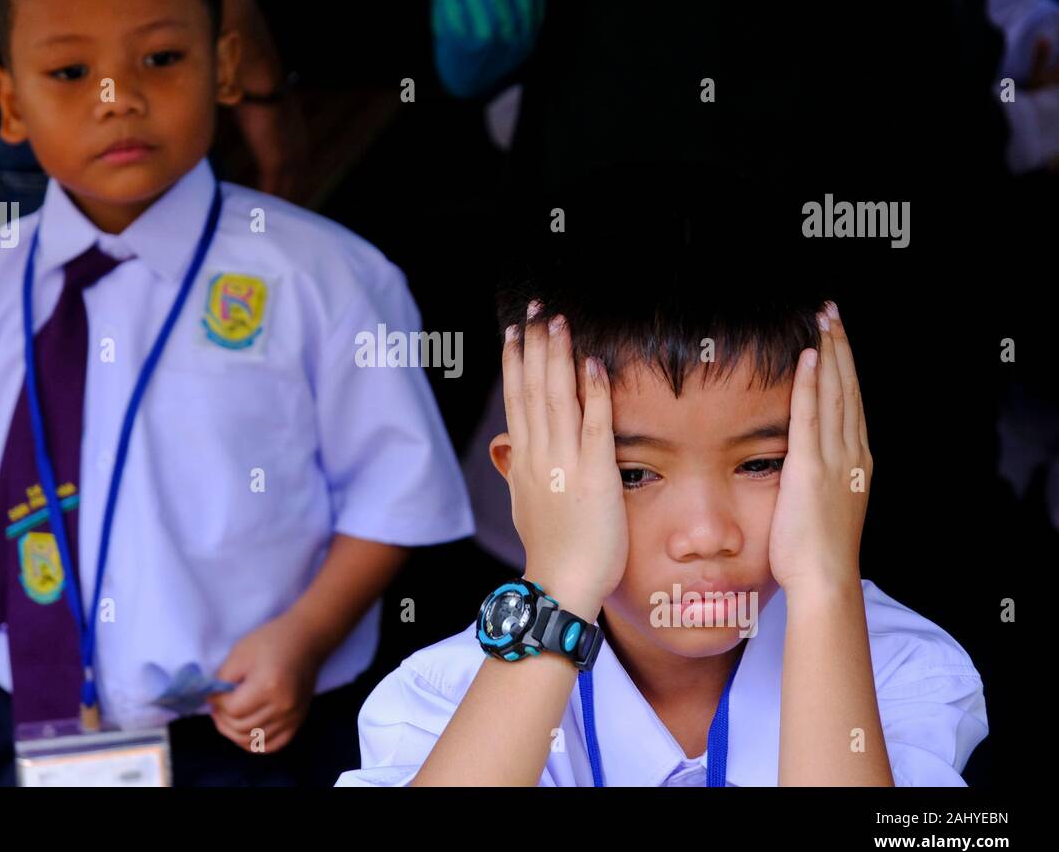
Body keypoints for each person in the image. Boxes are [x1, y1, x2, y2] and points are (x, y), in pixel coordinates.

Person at [0, 0, 473, 787]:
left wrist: (307, 633)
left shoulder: (325, 277)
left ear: (223, 63)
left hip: (254, 743)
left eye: (161, 58)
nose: (116, 98)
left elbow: (397, 495)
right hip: (42, 748)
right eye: (68, 73)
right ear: (8, 100)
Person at [336, 237, 987, 786]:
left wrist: (824, 582)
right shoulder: (436, 701)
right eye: (634, 473)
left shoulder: (901, 669)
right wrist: (558, 583)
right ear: (530, 481)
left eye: (761, 463)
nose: (706, 535)